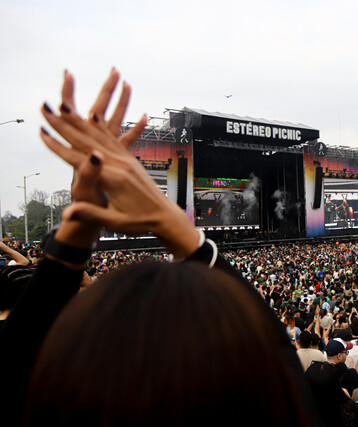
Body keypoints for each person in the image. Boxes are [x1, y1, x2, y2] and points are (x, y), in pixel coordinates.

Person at [0, 69, 319, 426]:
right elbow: (279, 362)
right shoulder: (269, 398)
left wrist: (70, 246)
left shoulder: (66, 398)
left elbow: (10, 372)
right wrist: (177, 228)